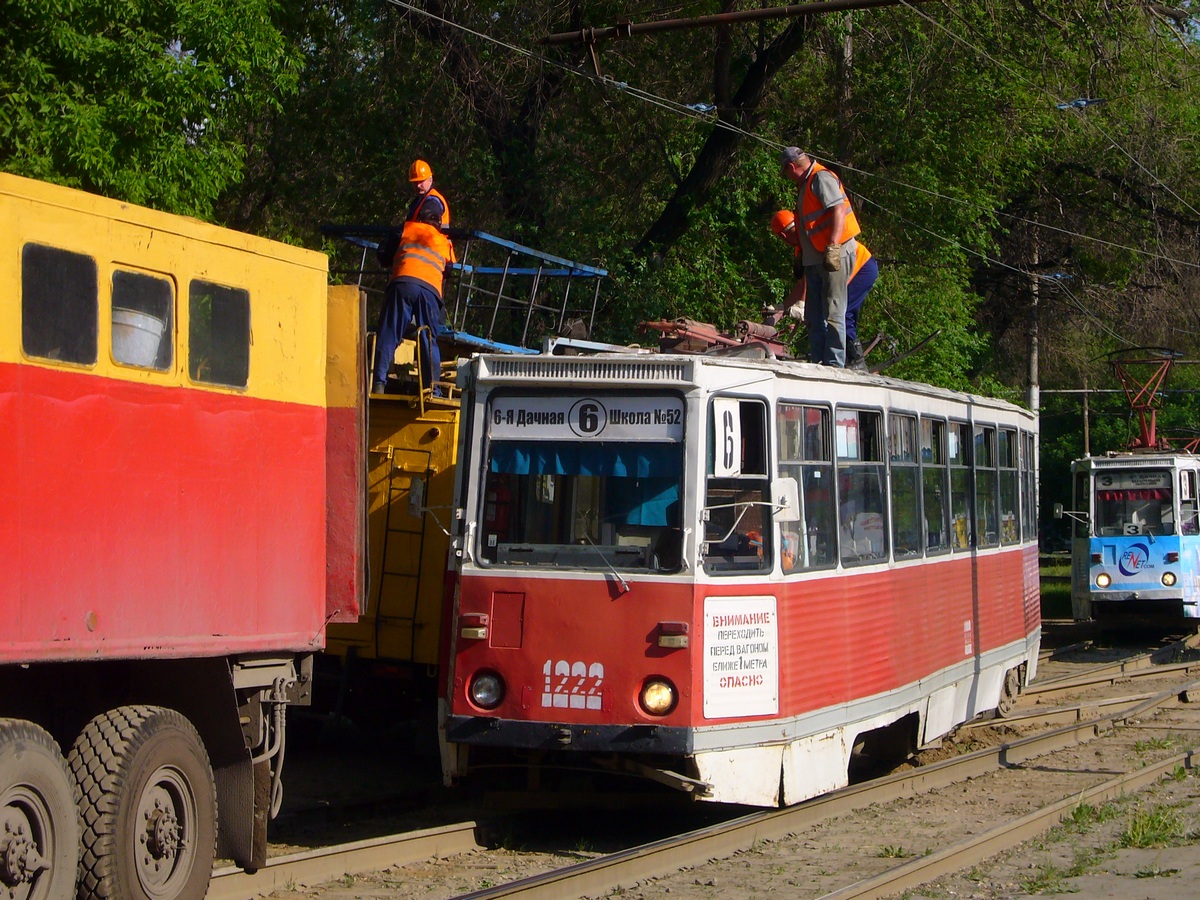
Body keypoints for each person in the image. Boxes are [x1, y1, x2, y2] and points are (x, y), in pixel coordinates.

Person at [779, 146, 865, 368]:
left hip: (833, 255)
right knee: (813, 316)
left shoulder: (821, 177)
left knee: (834, 310)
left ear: (791, 167)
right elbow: (807, 226)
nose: (786, 177)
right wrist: (801, 255)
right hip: (814, 259)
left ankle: (834, 365)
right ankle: (818, 361)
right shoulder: (805, 184)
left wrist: (833, 247)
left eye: (785, 172)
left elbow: (838, 210)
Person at [770, 208, 878, 370]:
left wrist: (802, 303)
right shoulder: (801, 245)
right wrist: (782, 308)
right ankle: (829, 359)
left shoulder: (808, 239)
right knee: (827, 312)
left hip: (862, 268)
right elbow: (803, 283)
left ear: (783, 235)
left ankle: (855, 361)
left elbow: (809, 281)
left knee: (841, 312)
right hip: (852, 269)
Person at [371, 204, 454, 396]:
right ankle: (432, 390)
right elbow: (448, 270)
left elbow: (382, 254)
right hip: (430, 291)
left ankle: (379, 383)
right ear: (439, 224)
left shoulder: (405, 228)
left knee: (389, 332)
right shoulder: (444, 241)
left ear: (419, 218)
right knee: (429, 339)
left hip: (403, 283)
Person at [405, 159, 451, 227]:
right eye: (415, 182)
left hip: (435, 237)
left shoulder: (433, 200)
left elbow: (430, 217)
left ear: (430, 180)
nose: (418, 185)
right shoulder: (420, 200)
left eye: (421, 181)